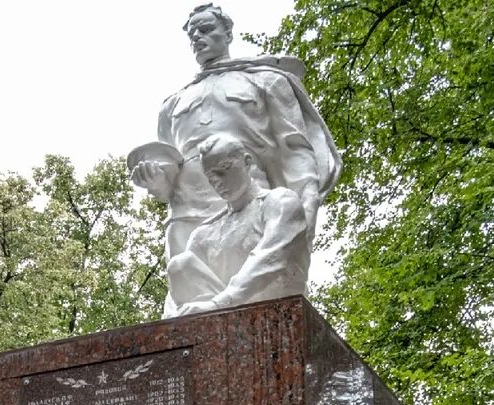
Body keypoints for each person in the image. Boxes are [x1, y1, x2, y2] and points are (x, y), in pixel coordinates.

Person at [130, 4, 340, 266]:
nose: (197, 37)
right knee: (186, 281)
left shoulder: (266, 81)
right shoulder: (171, 105)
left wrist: (306, 202)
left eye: (206, 29)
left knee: (261, 290)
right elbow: (170, 174)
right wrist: (155, 180)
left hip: (248, 204)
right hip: (186, 216)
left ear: (228, 34)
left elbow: (295, 149)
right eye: (192, 34)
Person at [168, 132, 309, 315]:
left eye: (224, 169)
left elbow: (270, 258)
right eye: (211, 177)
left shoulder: (280, 202)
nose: (217, 182)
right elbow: (183, 289)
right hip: (224, 324)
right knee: (180, 264)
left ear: (247, 161)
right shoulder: (204, 234)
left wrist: (220, 303)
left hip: (281, 314)